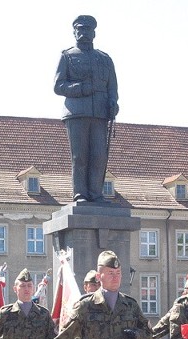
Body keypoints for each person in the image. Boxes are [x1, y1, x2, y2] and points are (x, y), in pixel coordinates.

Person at [54, 15, 118, 203]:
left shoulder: (105, 59)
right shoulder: (67, 56)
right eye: (80, 29)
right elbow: (58, 86)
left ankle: (96, 194)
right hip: (77, 112)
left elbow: (112, 88)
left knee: (99, 156)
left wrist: (113, 102)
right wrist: (80, 89)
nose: (84, 33)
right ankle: (80, 193)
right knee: (80, 156)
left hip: (100, 114)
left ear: (94, 33)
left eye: (88, 30)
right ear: (74, 32)